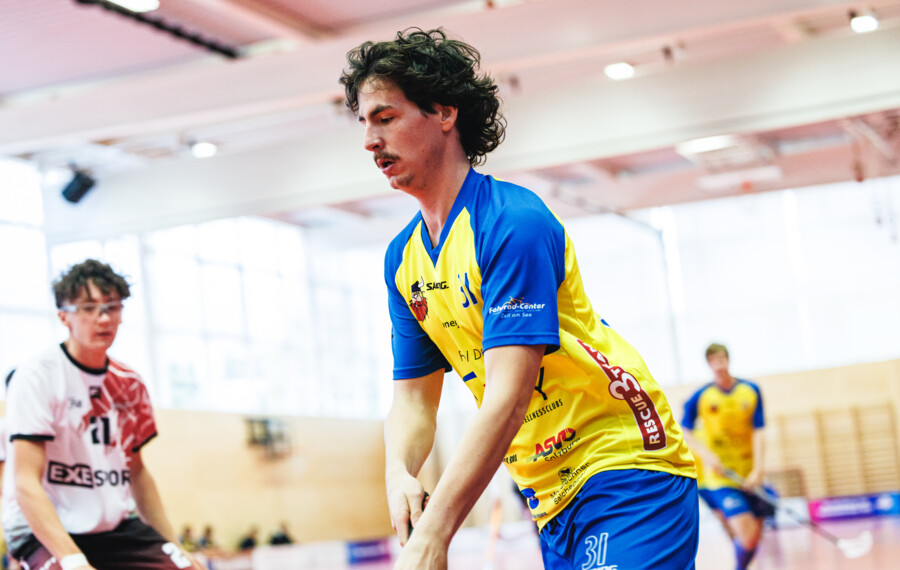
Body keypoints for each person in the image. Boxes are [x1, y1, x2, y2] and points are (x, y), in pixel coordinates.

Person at [340, 28, 699, 570]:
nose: (370, 140)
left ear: (444, 112)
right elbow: (413, 402)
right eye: (364, 123)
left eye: (385, 118)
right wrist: (398, 473)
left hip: (623, 463)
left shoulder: (512, 222)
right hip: (548, 495)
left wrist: (435, 533)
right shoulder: (403, 260)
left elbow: (508, 396)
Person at [2, 259, 204, 570]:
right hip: (45, 529)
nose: (104, 318)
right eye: (89, 308)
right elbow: (25, 480)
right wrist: (73, 560)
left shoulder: (130, 383)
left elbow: (137, 472)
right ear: (63, 316)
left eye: (113, 307)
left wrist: (175, 545)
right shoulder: (37, 376)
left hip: (114, 528)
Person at [681, 343, 771, 570]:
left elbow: (759, 431)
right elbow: (684, 430)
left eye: (721, 360)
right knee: (745, 534)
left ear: (728, 360)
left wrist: (758, 470)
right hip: (719, 478)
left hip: (749, 475)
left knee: (752, 537)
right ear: (708, 364)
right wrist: (707, 456)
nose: (718, 365)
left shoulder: (750, 390)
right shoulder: (701, 396)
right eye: (713, 362)